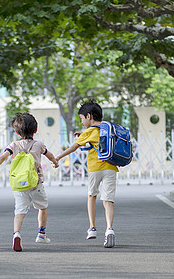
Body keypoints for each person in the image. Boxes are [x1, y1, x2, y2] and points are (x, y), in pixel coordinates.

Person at [0, 112, 58, 252]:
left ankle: (16, 233)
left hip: (19, 184)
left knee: (19, 211)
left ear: (16, 132)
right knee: (42, 207)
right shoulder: (39, 144)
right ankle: (41, 234)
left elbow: (1, 158)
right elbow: (50, 155)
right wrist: (54, 162)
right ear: (35, 130)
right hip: (36, 184)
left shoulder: (14, 145)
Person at [54, 100, 118, 248]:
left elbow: (74, 147)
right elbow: (99, 138)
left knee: (92, 196)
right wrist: (84, 134)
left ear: (89, 116)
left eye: (82, 119)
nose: (82, 122)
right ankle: (109, 230)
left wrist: (58, 157)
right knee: (108, 201)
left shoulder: (89, 131)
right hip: (111, 168)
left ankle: (92, 228)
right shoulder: (109, 128)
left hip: (95, 168)